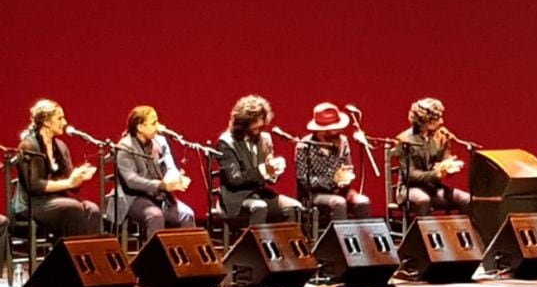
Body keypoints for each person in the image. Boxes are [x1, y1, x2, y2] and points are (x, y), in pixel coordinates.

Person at [13, 99, 101, 237]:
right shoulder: (29, 146)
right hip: (33, 203)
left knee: (93, 210)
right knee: (72, 209)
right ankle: (70, 256)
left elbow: (71, 186)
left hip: (57, 199)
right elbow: (35, 185)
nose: (65, 123)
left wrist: (78, 177)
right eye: (60, 118)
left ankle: (91, 255)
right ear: (46, 122)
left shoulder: (61, 146)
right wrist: (69, 182)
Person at [107, 105, 195, 238]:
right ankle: (154, 258)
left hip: (159, 197)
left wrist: (176, 178)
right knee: (155, 216)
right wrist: (160, 185)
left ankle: (185, 257)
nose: (158, 126)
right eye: (154, 123)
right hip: (133, 198)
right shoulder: (125, 147)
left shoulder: (160, 142)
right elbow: (131, 180)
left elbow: (170, 166)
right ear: (140, 127)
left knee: (186, 214)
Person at [216, 95, 301, 225]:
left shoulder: (265, 139)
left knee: (294, 207)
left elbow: (270, 179)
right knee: (259, 207)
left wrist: (274, 171)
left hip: (261, 194)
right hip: (237, 199)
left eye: (261, 123)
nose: (258, 128)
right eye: (254, 124)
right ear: (242, 123)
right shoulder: (226, 142)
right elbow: (235, 179)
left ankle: (283, 244)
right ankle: (256, 245)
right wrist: (263, 170)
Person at [392, 98, 470, 216]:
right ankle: (421, 234)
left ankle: (463, 233)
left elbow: (444, 160)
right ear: (425, 121)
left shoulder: (441, 136)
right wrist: (436, 174)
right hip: (410, 189)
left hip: (433, 189)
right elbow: (410, 175)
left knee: (466, 199)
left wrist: (450, 166)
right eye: (437, 118)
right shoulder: (404, 140)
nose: (442, 121)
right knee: (423, 200)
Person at [295, 102, 370, 221]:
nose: (337, 132)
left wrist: (346, 177)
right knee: (339, 203)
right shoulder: (304, 146)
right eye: (332, 129)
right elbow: (304, 180)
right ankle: (339, 238)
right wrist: (332, 181)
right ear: (321, 130)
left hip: (342, 190)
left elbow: (348, 167)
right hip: (315, 194)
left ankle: (363, 238)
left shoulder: (343, 141)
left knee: (362, 201)